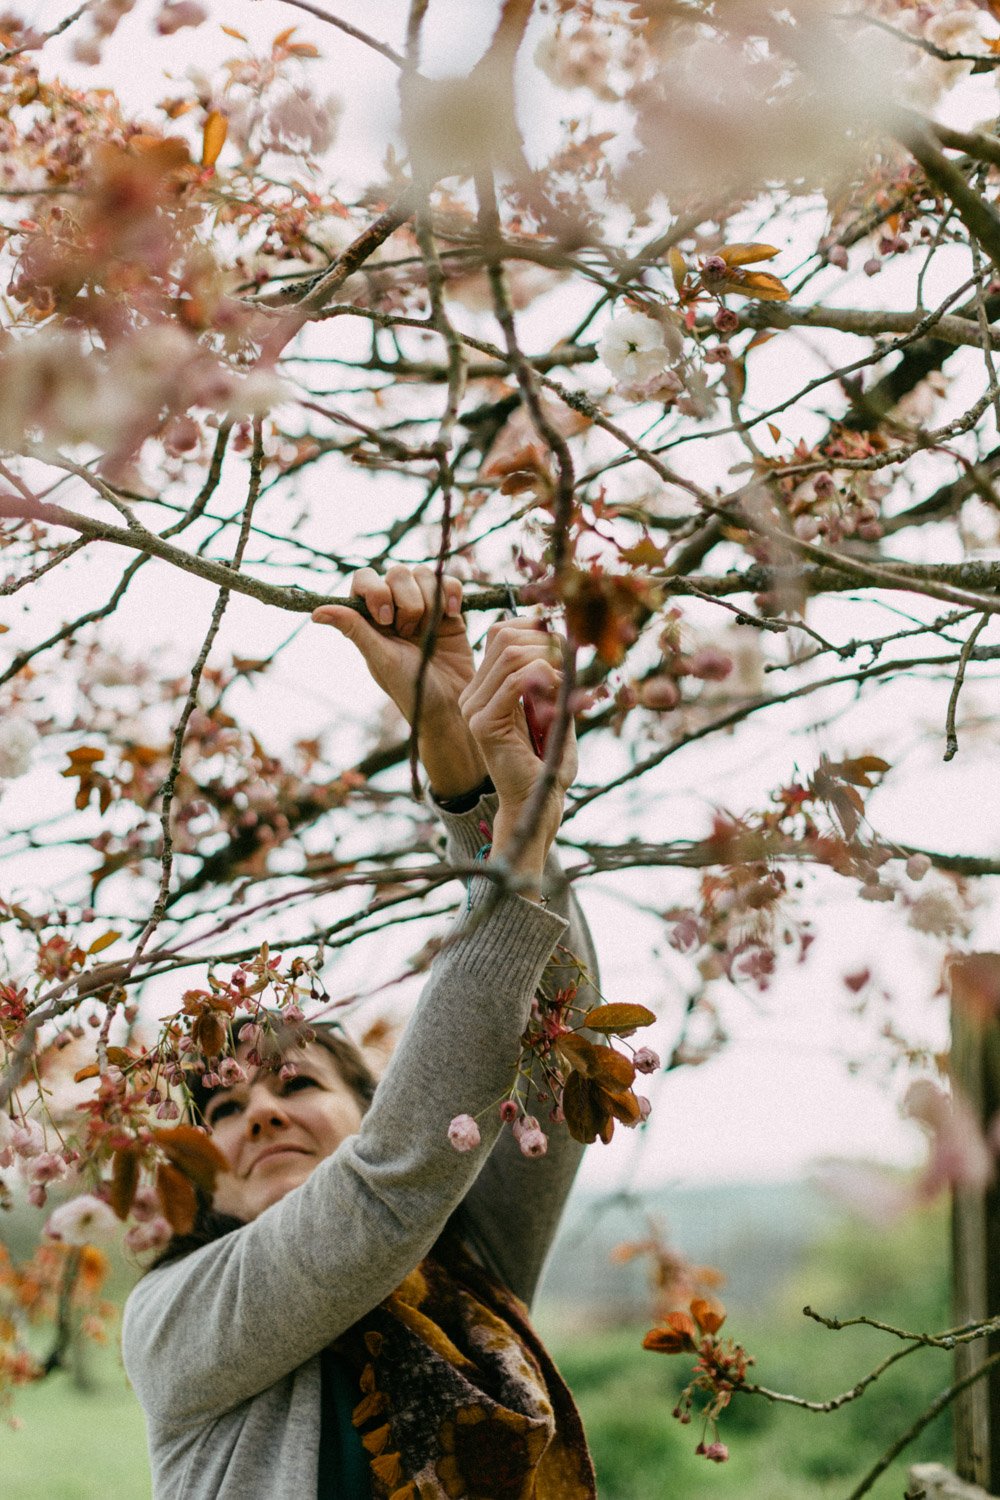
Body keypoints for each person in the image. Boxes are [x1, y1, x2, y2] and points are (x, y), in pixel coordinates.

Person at [122, 565, 601, 1500]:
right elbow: (392, 1179)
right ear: (196, 1174)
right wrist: (517, 842)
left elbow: (560, 1046)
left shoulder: (469, 1265)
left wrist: (475, 781)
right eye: (223, 1107)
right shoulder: (174, 1316)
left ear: (372, 1100)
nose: (258, 1114)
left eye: (295, 1085)